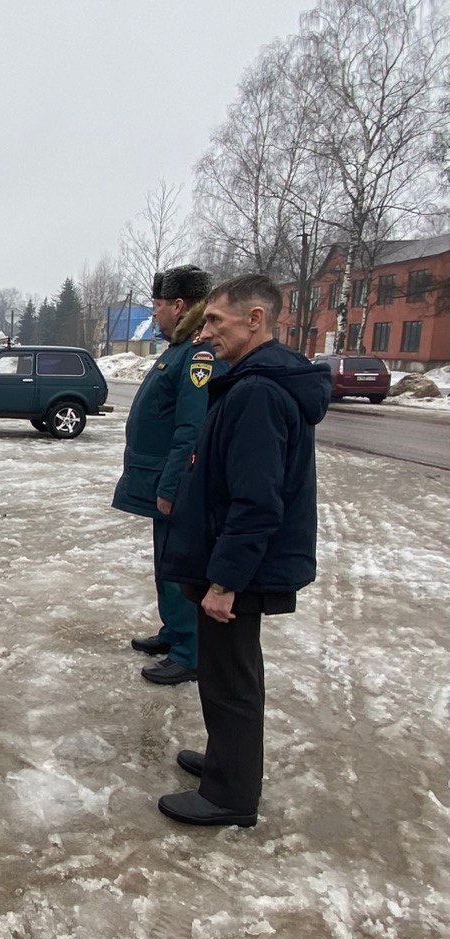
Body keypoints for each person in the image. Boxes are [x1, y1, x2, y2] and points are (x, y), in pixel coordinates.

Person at [157, 274, 330, 826]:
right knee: (226, 670)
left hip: (240, 569)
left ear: (255, 320)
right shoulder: (252, 380)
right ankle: (227, 760)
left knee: (232, 679)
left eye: (215, 321)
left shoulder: (257, 392)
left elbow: (257, 502)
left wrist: (225, 581)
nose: (204, 331)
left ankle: (230, 795)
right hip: (234, 561)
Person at [112, 265, 226, 687]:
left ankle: (189, 652)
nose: (155, 313)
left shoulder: (197, 353)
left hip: (174, 482)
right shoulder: (179, 346)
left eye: (158, 305)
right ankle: (174, 632)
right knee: (166, 563)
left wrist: (172, 485)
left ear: (179, 306)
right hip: (157, 476)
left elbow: (191, 428)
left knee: (179, 567)